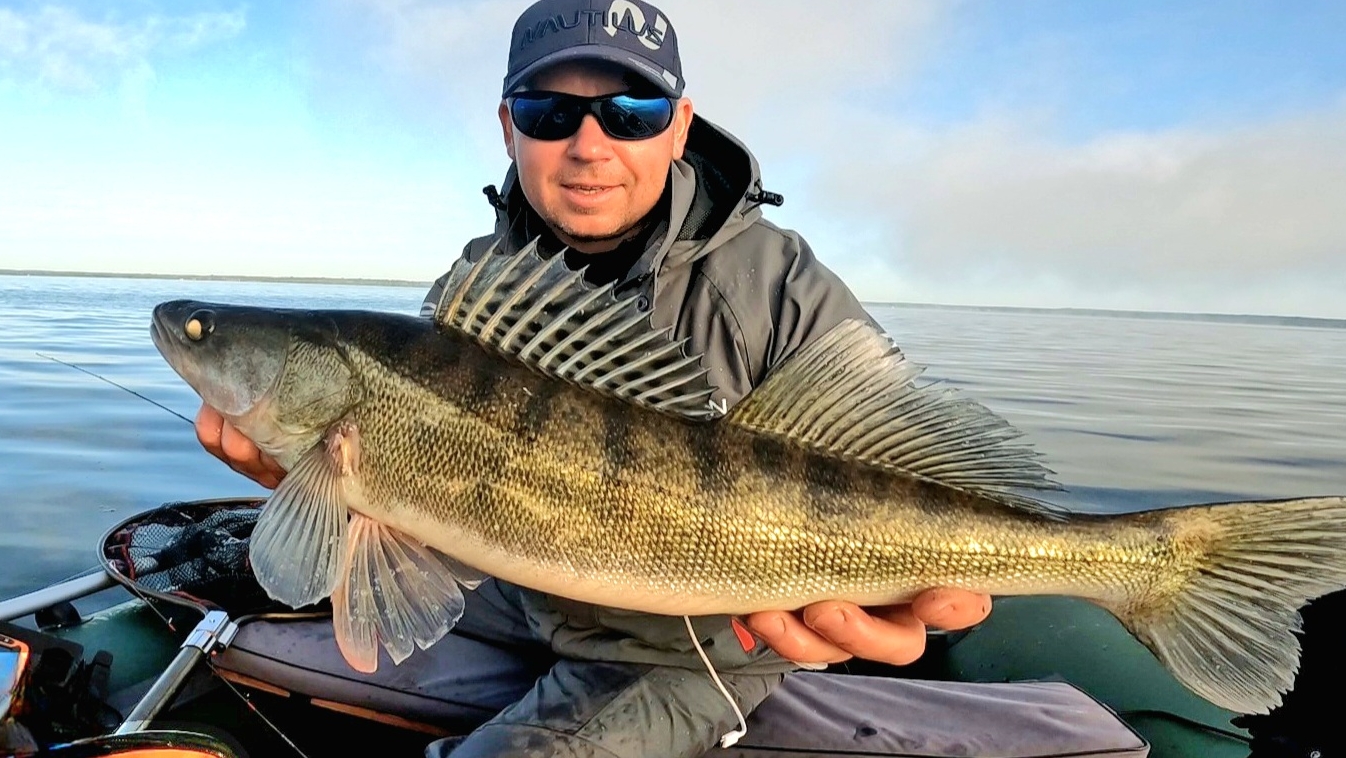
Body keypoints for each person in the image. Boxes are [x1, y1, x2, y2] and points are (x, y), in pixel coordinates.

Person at [194, 1, 992, 754]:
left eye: (632, 112)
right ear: (510, 129)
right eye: (550, 113)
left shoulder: (777, 291)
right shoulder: (483, 280)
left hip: (693, 637)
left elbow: (906, 471)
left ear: (679, 128)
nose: (589, 144)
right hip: (525, 591)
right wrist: (326, 491)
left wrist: (931, 592)